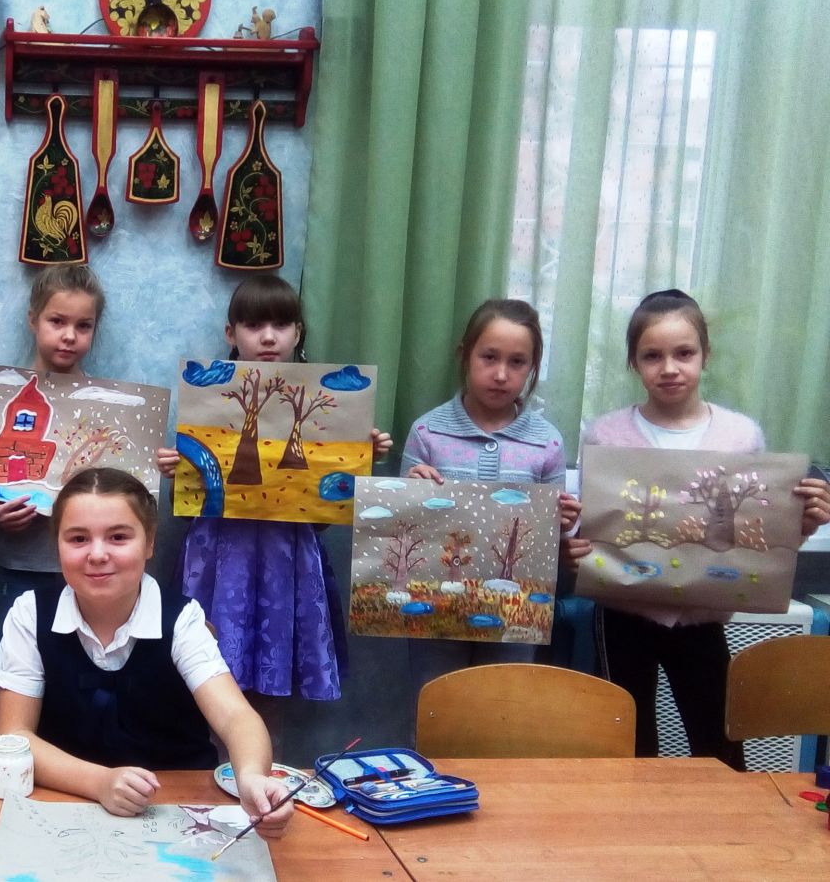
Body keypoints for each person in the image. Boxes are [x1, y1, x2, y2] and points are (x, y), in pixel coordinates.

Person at [578, 290, 830, 769]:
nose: (669, 368)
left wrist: (802, 523)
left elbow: (757, 530)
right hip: (623, 613)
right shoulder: (605, 435)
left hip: (703, 615)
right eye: (652, 356)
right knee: (628, 745)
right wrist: (576, 546)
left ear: (705, 355)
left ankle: (724, 819)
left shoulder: (740, 436)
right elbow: (592, 525)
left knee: (718, 741)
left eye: (684, 353)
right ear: (633, 362)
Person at [0, 467, 295, 835]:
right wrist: (99, 782)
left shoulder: (183, 618)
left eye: (118, 537)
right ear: (57, 545)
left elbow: (236, 717)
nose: (97, 554)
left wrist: (250, 777)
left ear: (149, 543)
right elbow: (13, 736)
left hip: (175, 809)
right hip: (63, 806)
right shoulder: (30, 613)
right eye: (78, 539)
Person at [162, 275, 390, 703]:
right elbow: (191, 503)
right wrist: (177, 472)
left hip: (289, 556)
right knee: (207, 669)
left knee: (276, 672)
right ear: (231, 333)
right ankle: (216, 747)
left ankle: (263, 748)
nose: (268, 337)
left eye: (281, 325)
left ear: (298, 333)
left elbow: (322, 517)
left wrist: (360, 460)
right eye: (253, 325)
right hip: (219, 555)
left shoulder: (330, 406)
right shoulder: (207, 400)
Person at [400, 299, 583, 679]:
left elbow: (553, 540)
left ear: (532, 367)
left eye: (517, 362)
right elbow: (402, 525)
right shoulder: (427, 432)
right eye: (489, 357)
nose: (501, 374)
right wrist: (411, 491)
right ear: (465, 356)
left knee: (502, 703)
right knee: (436, 701)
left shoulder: (546, 442)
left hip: (514, 612)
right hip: (436, 607)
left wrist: (564, 523)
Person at [0, 267, 174, 622]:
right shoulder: (6, 397)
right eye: (57, 321)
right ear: (33, 320)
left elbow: (131, 490)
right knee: (26, 655)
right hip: (26, 566)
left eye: (83, 326)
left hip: (98, 569)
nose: (69, 336)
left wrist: (155, 467)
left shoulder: (112, 409)